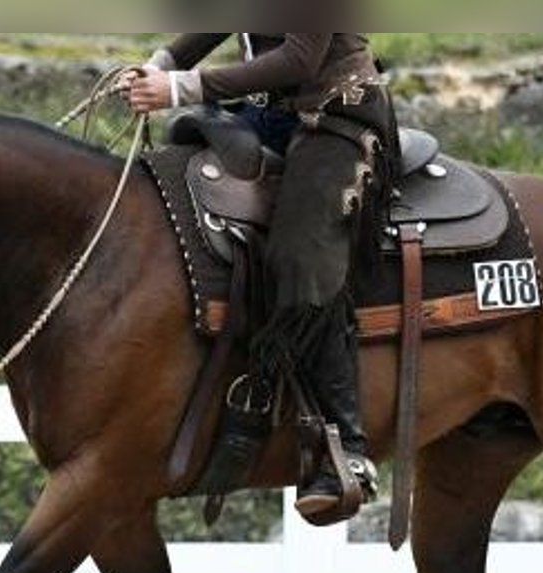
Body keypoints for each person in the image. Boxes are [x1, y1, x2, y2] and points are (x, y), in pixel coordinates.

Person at [127, 34, 401, 519]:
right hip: (269, 113)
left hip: (337, 115)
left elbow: (300, 58)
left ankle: (347, 449)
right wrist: (157, 64)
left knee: (301, 257)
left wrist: (178, 88)